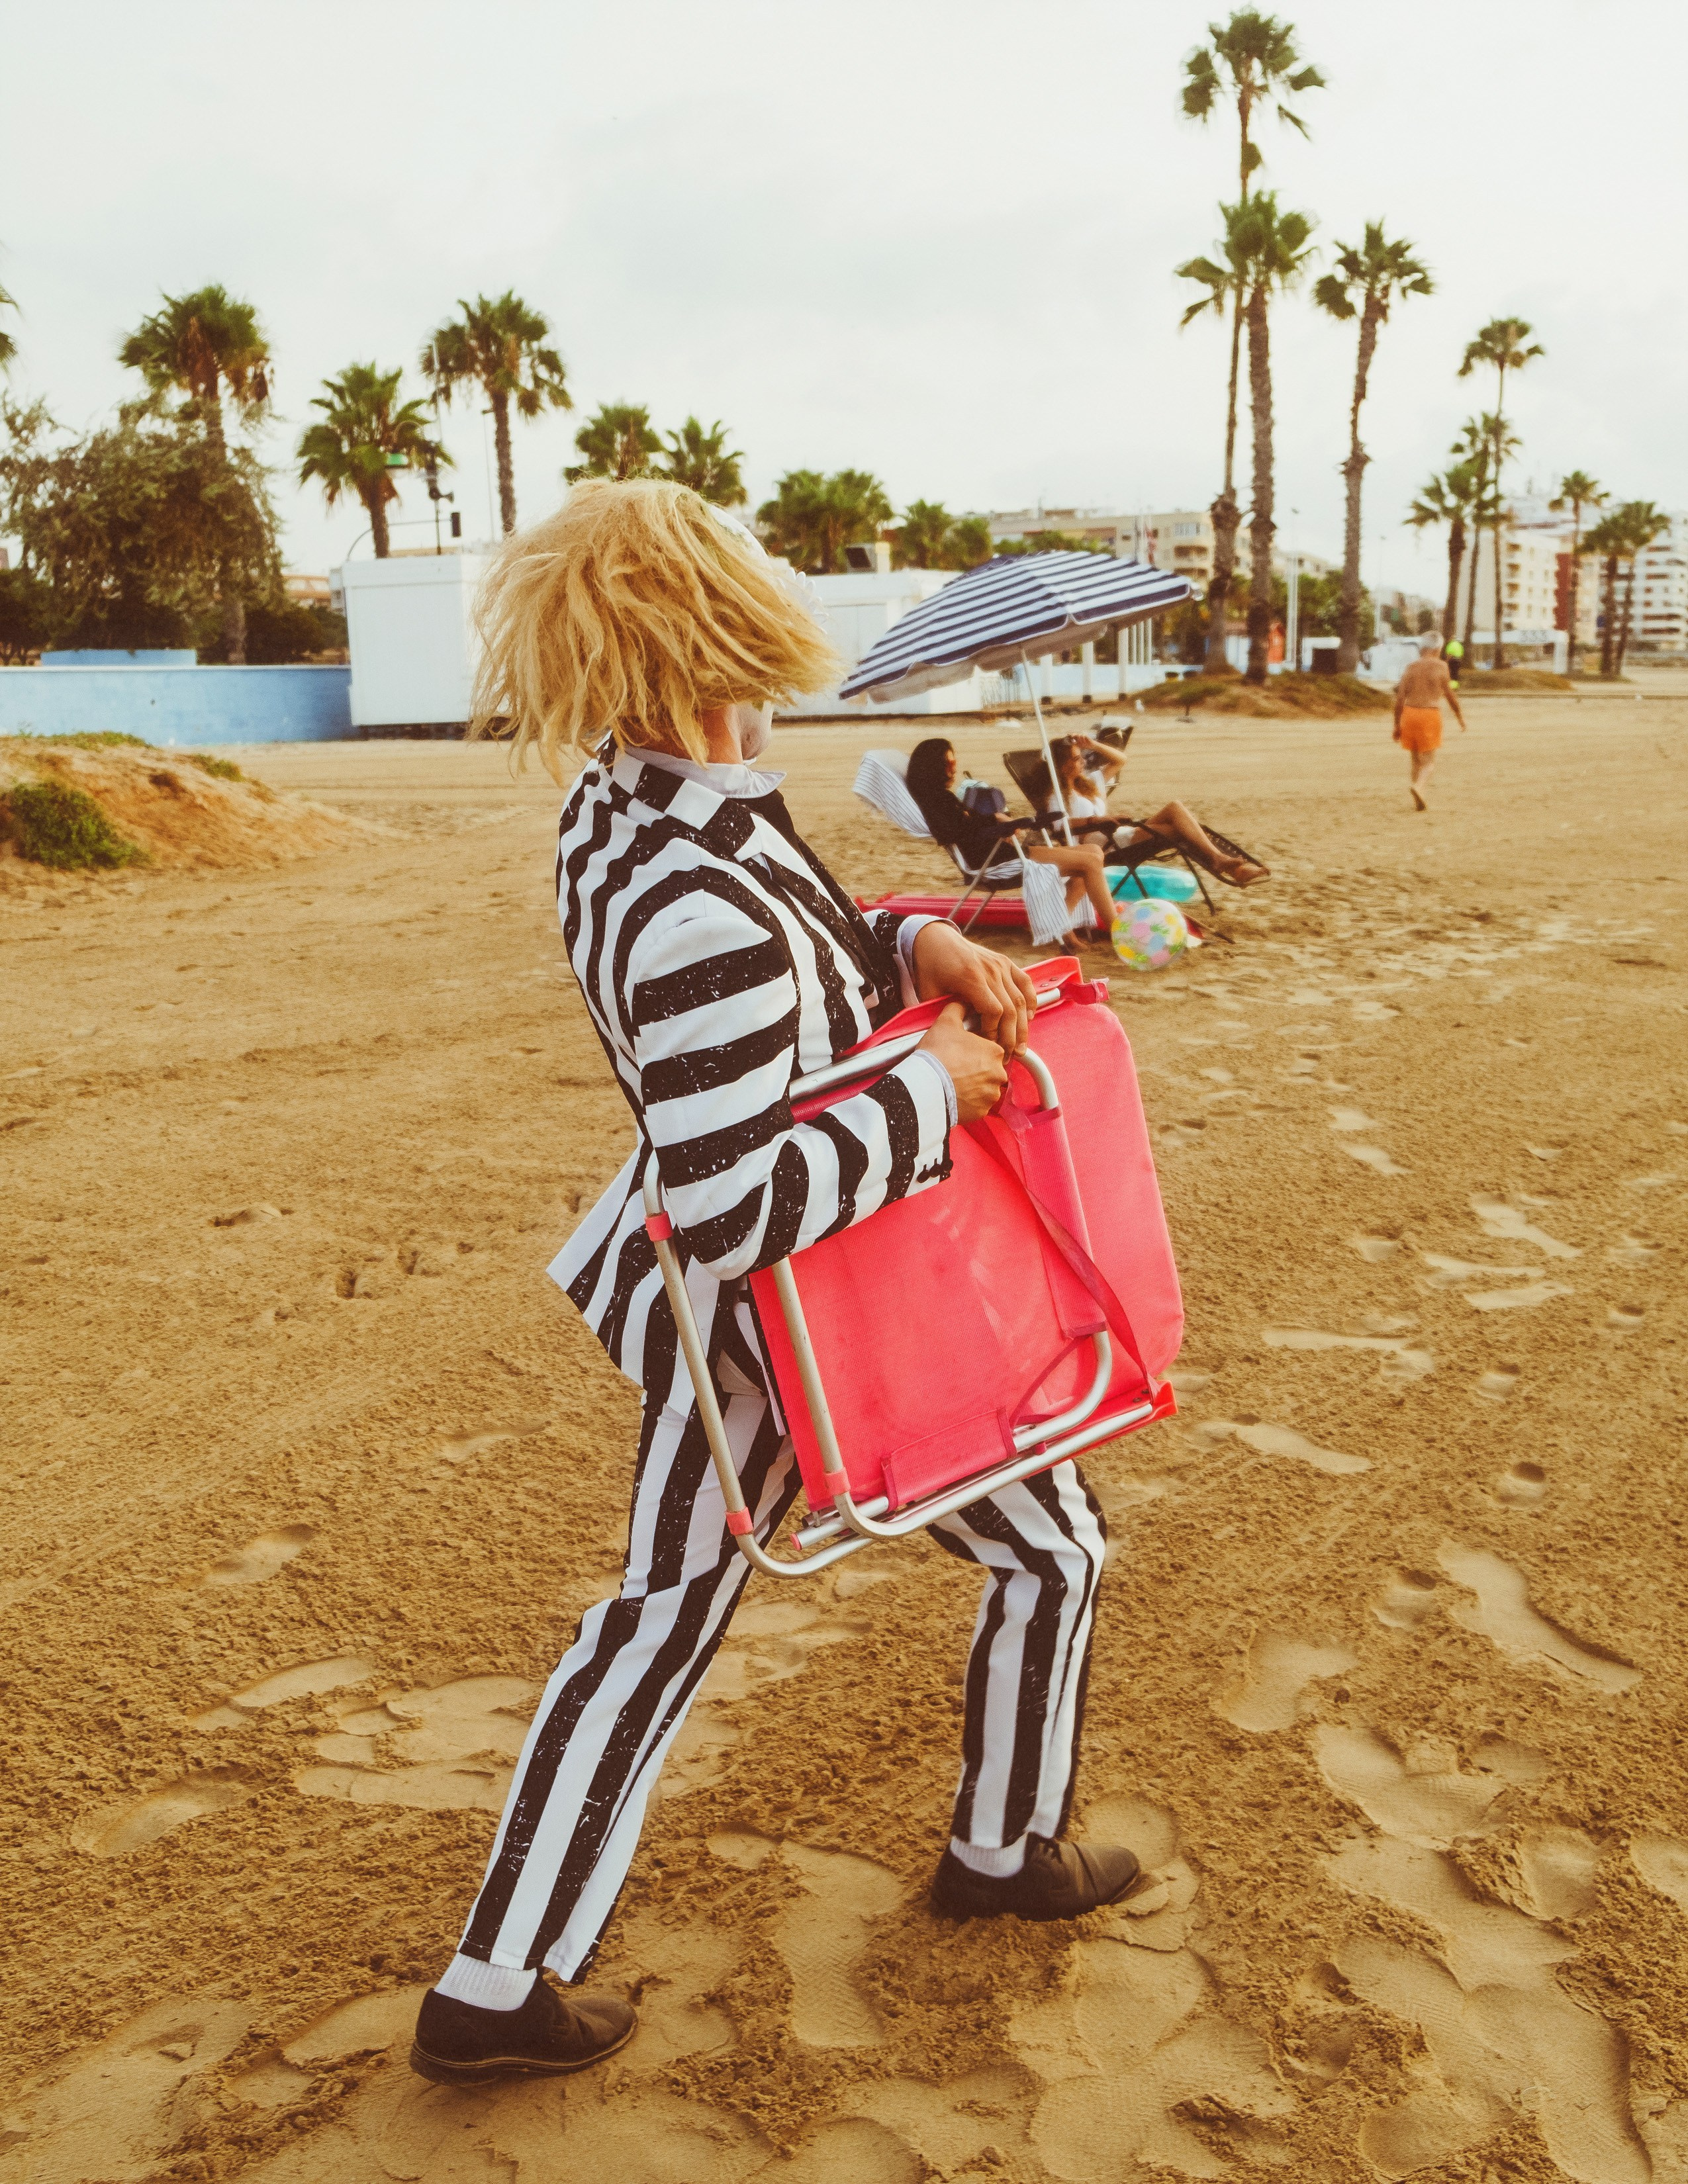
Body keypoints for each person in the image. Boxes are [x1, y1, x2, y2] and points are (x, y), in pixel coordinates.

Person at [408, 482, 1151, 2092]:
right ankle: (992, 1849)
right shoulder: (691, 888)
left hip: (767, 1323)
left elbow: (782, 968)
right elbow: (734, 1196)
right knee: (1022, 1549)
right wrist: (936, 1083)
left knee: (701, 1609)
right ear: (711, 640)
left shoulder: (641, 809)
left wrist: (907, 943)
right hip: (795, 1327)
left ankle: (509, 1968)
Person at [906, 735, 1118, 944]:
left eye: (954, 762)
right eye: (949, 763)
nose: (953, 768)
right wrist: (1000, 826)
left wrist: (995, 818)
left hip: (1000, 853)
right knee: (1090, 861)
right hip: (994, 861)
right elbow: (956, 832)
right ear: (934, 767)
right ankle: (1118, 934)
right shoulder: (937, 800)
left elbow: (965, 826)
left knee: (1093, 852)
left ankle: (1063, 927)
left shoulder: (940, 798)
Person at [1048, 734, 1270, 887]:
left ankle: (1221, 860)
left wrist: (1093, 744)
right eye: (1077, 759)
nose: (1083, 762)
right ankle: (1231, 868)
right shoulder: (1057, 795)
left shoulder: (1088, 783)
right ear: (1061, 765)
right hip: (1101, 845)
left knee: (1176, 811)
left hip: (1116, 834)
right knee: (1180, 830)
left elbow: (1120, 760)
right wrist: (1097, 820)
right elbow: (1059, 827)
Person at [1393, 633, 1468, 810]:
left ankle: (1418, 799)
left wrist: (1396, 724)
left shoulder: (1411, 667)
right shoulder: (1442, 667)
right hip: (1429, 714)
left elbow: (1400, 698)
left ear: (1423, 647)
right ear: (1438, 649)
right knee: (1429, 762)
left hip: (1410, 713)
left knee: (1415, 760)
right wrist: (1460, 718)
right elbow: (1450, 696)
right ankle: (1418, 787)